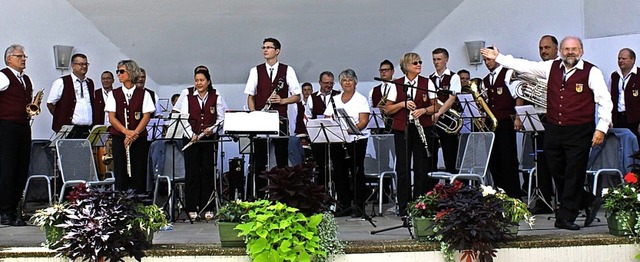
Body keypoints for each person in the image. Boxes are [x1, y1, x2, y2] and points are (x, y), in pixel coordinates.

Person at [481, 36, 613, 230]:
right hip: (554, 128)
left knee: (573, 173)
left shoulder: (591, 71)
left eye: (574, 49)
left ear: (581, 51)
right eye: (566, 49)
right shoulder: (551, 67)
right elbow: (524, 66)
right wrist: (499, 57)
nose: (570, 52)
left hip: (579, 129)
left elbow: (604, 101)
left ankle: (566, 216)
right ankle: (587, 200)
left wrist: (601, 128)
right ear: (560, 51)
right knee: (555, 169)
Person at [243, 38, 301, 198]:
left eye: (269, 47)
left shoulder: (287, 70)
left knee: (281, 159)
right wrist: (254, 113)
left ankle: (281, 196)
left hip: (280, 119)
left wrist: (282, 100)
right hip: (260, 119)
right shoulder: (255, 71)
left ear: (277, 51)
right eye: (264, 47)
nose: (265, 50)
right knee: (259, 160)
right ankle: (260, 197)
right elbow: (250, 96)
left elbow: (297, 96)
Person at [385, 52, 438, 217]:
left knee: (422, 168)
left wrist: (423, 110)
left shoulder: (426, 82)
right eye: (416, 63)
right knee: (403, 168)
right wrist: (402, 104)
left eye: (420, 62)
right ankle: (404, 206)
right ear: (406, 66)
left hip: (422, 128)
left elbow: (435, 106)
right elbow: (388, 109)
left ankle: (420, 204)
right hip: (402, 130)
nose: (419, 65)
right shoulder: (396, 84)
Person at [180, 69, 227, 221]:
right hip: (191, 139)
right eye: (196, 80)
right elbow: (183, 118)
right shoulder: (187, 95)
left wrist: (212, 129)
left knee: (208, 172)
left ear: (208, 81)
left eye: (202, 80)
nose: (199, 83)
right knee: (192, 173)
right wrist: (191, 134)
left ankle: (208, 207)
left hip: (208, 140)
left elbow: (221, 118)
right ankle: (192, 208)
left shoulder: (216, 96)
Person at [323, 69, 370, 217]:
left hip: (356, 140)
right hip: (338, 139)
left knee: (356, 173)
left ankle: (358, 206)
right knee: (339, 173)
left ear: (355, 82)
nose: (347, 83)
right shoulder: (335, 99)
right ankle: (343, 205)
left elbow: (363, 121)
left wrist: (349, 130)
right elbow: (327, 116)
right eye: (344, 80)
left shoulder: (360, 99)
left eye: (350, 80)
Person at [105, 60, 155, 194]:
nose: (118, 74)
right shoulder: (113, 94)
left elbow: (146, 116)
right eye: (117, 71)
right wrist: (126, 132)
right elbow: (112, 117)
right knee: (121, 171)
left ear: (131, 73)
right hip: (120, 138)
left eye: (121, 71)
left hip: (138, 139)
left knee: (139, 170)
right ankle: (122, 204)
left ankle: (139, 203)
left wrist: (134, 134)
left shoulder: (144, 94)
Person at [482, 48, 524, 198]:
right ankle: (500, 194)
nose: (487, 63)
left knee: (508, 159)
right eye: (485, 60)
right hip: (492, 124)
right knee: (494, 160)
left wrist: (518, 117)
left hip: (506, 121)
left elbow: (518, 95)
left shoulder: (508, 73)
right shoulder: (486, 79)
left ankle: (514, 195)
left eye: (489, 59)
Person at [527, 34, 560, 215]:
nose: (543, 51)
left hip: (557, 120)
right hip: (539, 117)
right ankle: (543, 199)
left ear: (556, 48)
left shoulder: (562, 68)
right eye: (541, 48)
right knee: (541, 161)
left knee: (558, 162)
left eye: (547, 48)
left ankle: (564, 200)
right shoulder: (538, 69)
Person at [0, 44, 33, 226]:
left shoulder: (26, 80)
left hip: (23, 126)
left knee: (21, 168)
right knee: (7, 168)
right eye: (19, 56)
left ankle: (15, 209)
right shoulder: (3, 76)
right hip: (6, 126)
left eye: (24, 56)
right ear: (9, 59)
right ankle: (5, 210)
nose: (23, 59)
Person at [46, 53, 95, 137]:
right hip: (69, 129)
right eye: (80, 64)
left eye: (86, 64)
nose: (84, 67)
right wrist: (61, 116)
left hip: (87, 129)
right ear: (73, 66)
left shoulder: (89, 83)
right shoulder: (61, 82)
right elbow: (50, 103)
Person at [429, 48, 461, 173]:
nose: (436, 62)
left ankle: (452, 188)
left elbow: (451, 99)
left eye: (439, 59)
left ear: (446, 60)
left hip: (448, 121)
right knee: (431, 157)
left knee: (450, 156)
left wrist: (438, 113)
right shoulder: (429, 79)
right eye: (434, 59)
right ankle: (432, 189)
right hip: (433, 122)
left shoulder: (454, 77)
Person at [610, 48, 640, 146]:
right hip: (618, 119)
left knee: (636, 148)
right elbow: (609, 99)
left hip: (635, 120)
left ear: (632, 60)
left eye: (624, 58)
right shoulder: (614, 76)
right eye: (619, 59)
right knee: (621, 148)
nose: (620, 61)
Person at [369, 59, 395, 134]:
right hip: (378, 129)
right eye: (381, 70)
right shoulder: (373, 90)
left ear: (392, 72)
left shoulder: (398, 87)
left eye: (386, 70)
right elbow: (370, 109)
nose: (383, 72)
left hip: (394, 128)